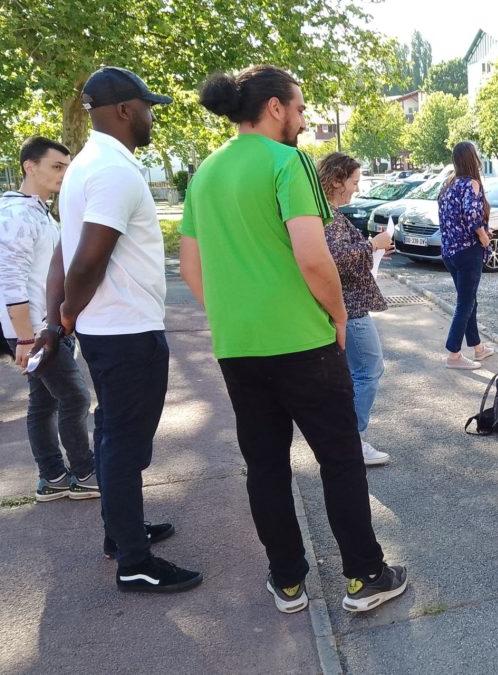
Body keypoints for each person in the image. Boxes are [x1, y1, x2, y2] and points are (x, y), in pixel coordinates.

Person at [179, 65, 407, 614]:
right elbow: (313, 254)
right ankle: (365, 575)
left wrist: (234, 313)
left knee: (266, 465)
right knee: (339, 457)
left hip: (239, 346)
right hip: (302, 342)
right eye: (301, 108)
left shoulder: (206, 172)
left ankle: (286, 581)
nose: (304, 121)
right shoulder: (290, 163)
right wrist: (337, 316)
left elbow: (190, 267)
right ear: (276, 107)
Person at [35, 67, 198, 591]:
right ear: (125, 110)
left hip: (109, 332)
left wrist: (58, 318)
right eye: (147, 106)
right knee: (126, 446)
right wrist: (63, 317)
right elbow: (86, 259)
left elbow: (64, 251)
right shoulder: (115, 171)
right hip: (127, 332)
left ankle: (120, 531)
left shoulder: (84, 166)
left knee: (111, 436)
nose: (152, 116)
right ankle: (134, 562)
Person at [0, 137, 100, 502]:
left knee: (44, 402)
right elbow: (9, 283)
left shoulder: (37, 210)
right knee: (75, 398)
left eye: (66, 167)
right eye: (56, 166)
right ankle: (83, 472)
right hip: (35, 330)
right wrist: (24, 338)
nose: (64, 174)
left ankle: (52, 476)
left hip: (48, 326)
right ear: (28, 167)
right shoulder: (14, 215)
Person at [317, 151, 394, 466]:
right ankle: (353, 441)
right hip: (350, 309)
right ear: (336, 181)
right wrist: (372, 245)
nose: (357, 189)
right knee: (369, 370)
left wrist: (371, 253)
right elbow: (334, 259)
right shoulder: (329, 215)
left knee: (353, 374)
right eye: (354, 182)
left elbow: (336, 255)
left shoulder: (323, 212)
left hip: (345, 306)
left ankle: (345, 438)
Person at [437, 141, 494, 369]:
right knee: (465, 303)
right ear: (473, 159)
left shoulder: (448, 184)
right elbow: (472, 217)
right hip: (468, 251)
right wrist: (484, 236)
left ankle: (478, 348)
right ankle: (454, 354)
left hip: (450, 252)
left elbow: (450, 218)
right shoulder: (471, 184)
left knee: (470, 300)